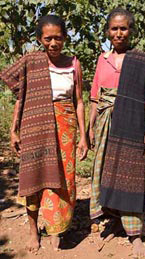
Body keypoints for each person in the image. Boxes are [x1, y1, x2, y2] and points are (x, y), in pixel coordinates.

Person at [0, 15, 88, 252]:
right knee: (34, 178)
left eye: (58, 38)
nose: (53, 43)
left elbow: (79, 101)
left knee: (63, 178)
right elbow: (21, 96)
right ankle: (32, 230)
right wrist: (13, 129)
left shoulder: (73, 64)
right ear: (39, 39)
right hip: (35, 126)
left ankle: (56, 229)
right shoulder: (31, 62)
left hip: (65, 126)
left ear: (65, 38)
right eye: (47, 38)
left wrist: (84, 136)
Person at [89, 7, 145, 257]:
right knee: (104, 171)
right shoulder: (102, 60)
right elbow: (95, 97)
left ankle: (135, 234)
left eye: (124, 28)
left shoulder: (141, 60)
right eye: (114, 28)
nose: (119, 33)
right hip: (105, 122)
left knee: (132, 175)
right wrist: (90, 128)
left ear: (131, 31)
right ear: (107, 32)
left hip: (133, 124)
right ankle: (113, 218)